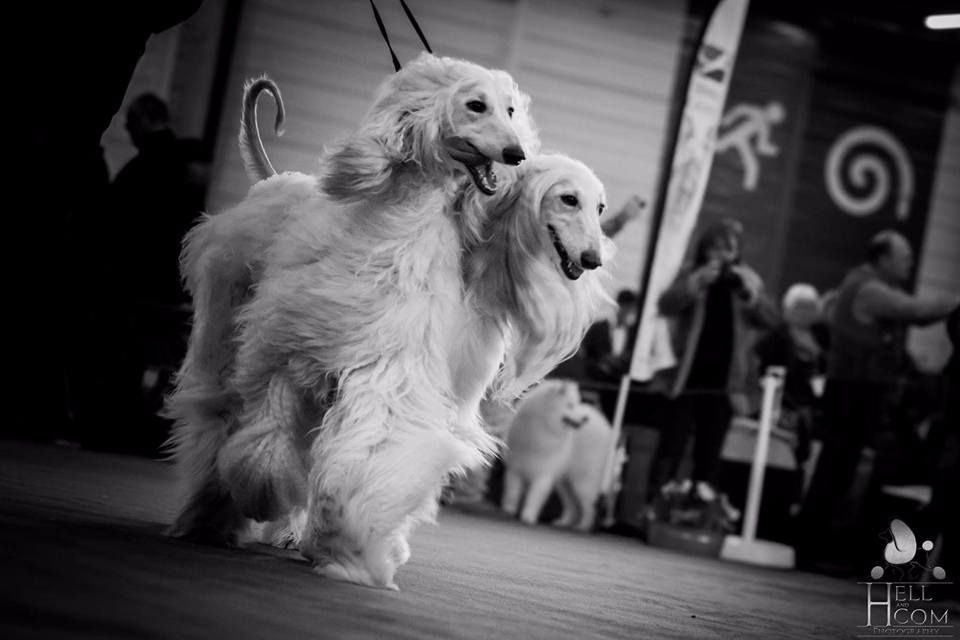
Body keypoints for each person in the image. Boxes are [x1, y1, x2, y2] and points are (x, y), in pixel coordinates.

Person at [14, 2, 202, 442]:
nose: (128, 129)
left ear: (145, 120)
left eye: (132, 123)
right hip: (158, 276)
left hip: (131, 277)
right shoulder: (173, 166)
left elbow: (121, 221)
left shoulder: (145, 168)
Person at [796, 230, 959, 572]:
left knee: (841, 467)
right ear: (883, 258)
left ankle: (818, 547)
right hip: (854, 390)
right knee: (837, 468)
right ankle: (811, 549)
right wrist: (955, 301)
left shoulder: (868, 284)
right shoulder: (868, 288)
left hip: (857, 389)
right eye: (904, 257)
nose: (910, 264)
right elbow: (917, 311)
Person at [646, 218, 778, 503]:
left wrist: (749, 295)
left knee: (709, 452)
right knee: (671, 446)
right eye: (714, 249)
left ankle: (697, 509)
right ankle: (655, 504)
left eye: (727, 250)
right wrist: (696, 283)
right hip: (685, 378)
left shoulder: (747, 279)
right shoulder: (691, 273)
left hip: (725, 384)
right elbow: (666, 304)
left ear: (737, 252)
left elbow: (770, 319)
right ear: (704, 249)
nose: (720, 256)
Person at [581, 289, 639, 382]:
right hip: (596, 380)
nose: (632, 313)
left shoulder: (634, 332)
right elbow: (585, 355)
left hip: (620, 382)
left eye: (633, 310)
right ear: (620, 306)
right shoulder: (597, 328)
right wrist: (601, 363)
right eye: (629, 308)